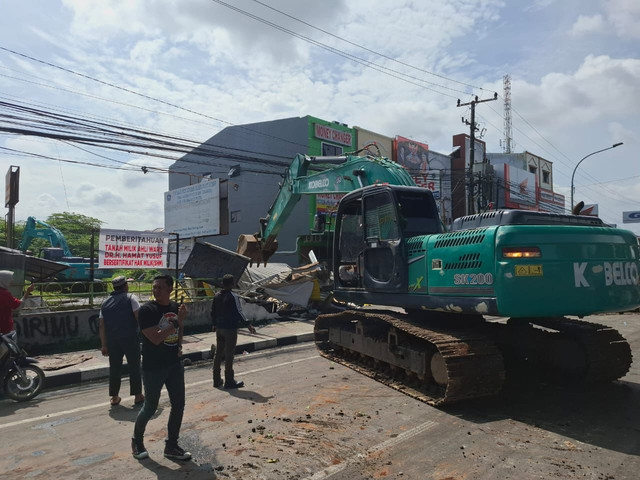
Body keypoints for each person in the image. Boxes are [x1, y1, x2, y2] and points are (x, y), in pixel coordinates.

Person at [131, 274, 191, 461]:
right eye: (154, 287)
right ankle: (137, 441)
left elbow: (180, 329)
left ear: (170, 289)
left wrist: (179, 346)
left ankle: (171, 446)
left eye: (160, 287)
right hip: (153, 366)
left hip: (174, 364)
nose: (155, 290)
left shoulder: (174, 307)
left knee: (179, 405)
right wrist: (176, 321)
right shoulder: (147, 310)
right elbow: (156, 338)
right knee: (150, 406)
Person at [99, 276, 144, 407]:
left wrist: (103, 345)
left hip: (113, 342)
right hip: (130, 339)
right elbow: (139, 318)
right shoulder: (131, 298)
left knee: (115, 368)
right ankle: (138, 396)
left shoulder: (105, 303)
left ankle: (114, 397)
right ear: (125, 286)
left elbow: (101, 326)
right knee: (134, 367)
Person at [211, 274, 256, 389]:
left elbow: (213, 311)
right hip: (230, 329)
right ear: (232, 284)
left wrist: (214, 324)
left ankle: (216, 380)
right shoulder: (233, 296)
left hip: (219, 328)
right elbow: (239, 312)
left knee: (218, 353)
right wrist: (248, 324)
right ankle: (229, 381)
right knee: (229, 355)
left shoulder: (216, 296)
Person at [0, 270, 34, 343]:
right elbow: (18, 305)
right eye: (10, 278)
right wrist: (27, 292)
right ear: (4, 280)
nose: (12, 280)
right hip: (4, 329)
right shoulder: (4, 294)